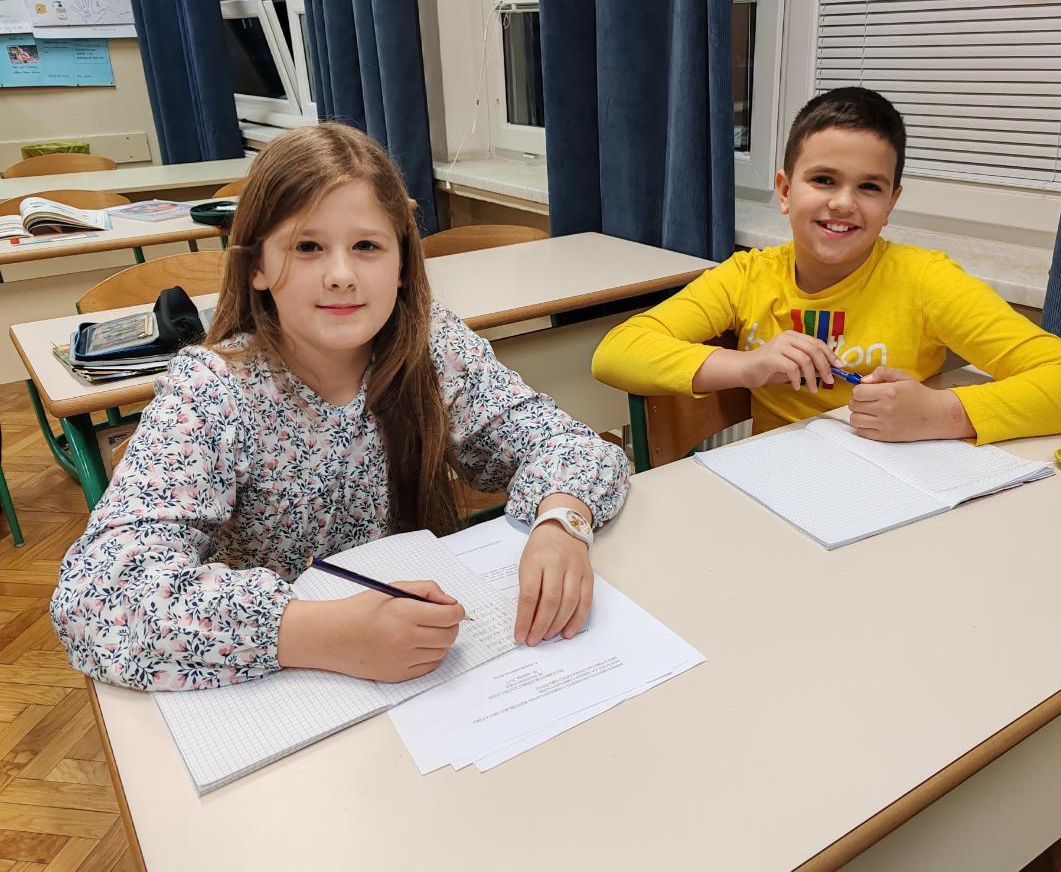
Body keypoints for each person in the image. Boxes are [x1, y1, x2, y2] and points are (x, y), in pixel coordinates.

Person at [51, 122, 629, 691]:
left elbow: (567, 444)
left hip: (426, 659)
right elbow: (95, 600)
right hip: (290, 682)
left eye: (367, 247)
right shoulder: (212, 391)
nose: (341, 276)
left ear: (402, 266)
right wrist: (320, 633)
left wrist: (562, 523)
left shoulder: (432, 346)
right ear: (256, 267)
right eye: (307, 247)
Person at [593, 87, 1061, 444]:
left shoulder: (926, 280)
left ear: (890, 204)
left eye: (869, 187)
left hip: (897, 480)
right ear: (784, 191)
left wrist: (939, 413)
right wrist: (747, 367)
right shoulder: (746, 276)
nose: (843, 203)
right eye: (823, 180)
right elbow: (617, 352)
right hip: (779, 481)